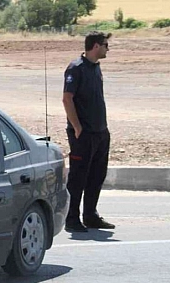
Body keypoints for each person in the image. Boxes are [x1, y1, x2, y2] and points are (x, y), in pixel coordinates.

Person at [62, 31, 116, 233]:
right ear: (95, 46)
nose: (107, 48)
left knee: (96, 175)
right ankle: (72, 218)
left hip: (101, 132)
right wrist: (77, 127)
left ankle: (91, 215)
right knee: (78, 177)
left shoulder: (96, 68)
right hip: (83, 134)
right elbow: (67, 99)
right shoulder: (76, 69)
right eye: (105, 45)